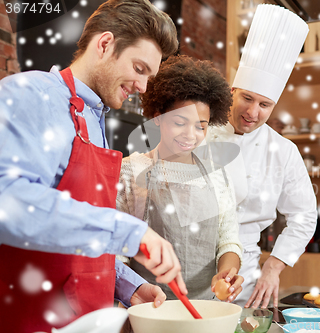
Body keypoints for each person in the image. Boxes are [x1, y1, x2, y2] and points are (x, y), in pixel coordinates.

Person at [0, 0, 186, 331]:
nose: (143, 87)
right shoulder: (31, 94)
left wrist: (127, 285)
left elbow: (72, 233)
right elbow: (9, 202)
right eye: (139, 68)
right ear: (104, 44)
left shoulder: (94, 119)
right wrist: (131, 233)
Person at [206, 4, 316, 308]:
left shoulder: (283, 151)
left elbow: (304, 216)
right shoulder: (197, 132)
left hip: (245, 279)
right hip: (185, 270)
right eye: (247, 98)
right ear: (232, 90)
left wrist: (274, 265)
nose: (253, 113)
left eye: (265, 105)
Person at [116, 55, 244, 302]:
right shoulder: (131, 170)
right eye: (179, 122)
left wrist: (228, 272)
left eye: (201, 126)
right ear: (157, 118)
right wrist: (126, 295)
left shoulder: (217, 174)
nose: (191, 135)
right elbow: (118, 250)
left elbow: (228, 240)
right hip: (148, 309)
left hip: (205, 312)